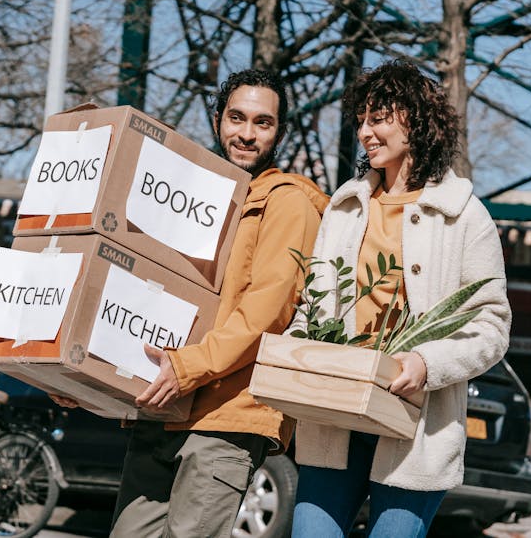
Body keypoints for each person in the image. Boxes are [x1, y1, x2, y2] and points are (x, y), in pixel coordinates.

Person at [53, 69, 329, 537]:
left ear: (279, 132)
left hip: (227, 416)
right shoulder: (200, 197)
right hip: (162, 407)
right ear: (218, 119)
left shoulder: (289, 204)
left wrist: (186, 368)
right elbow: (140, 291)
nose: (246, 133)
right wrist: (83, 377)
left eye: (263, 123)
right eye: (236, 118)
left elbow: (265, 313)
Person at [288, 59, 511, 538]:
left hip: (417, 424)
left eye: (379, 118)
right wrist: (294, 352)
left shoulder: (464, 215)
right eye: (362, 120)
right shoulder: (344, 207)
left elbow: (491, 327)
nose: (366, 131)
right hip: (336, 414)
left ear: (416, 120)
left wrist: (426, 364)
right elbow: (314, 301)